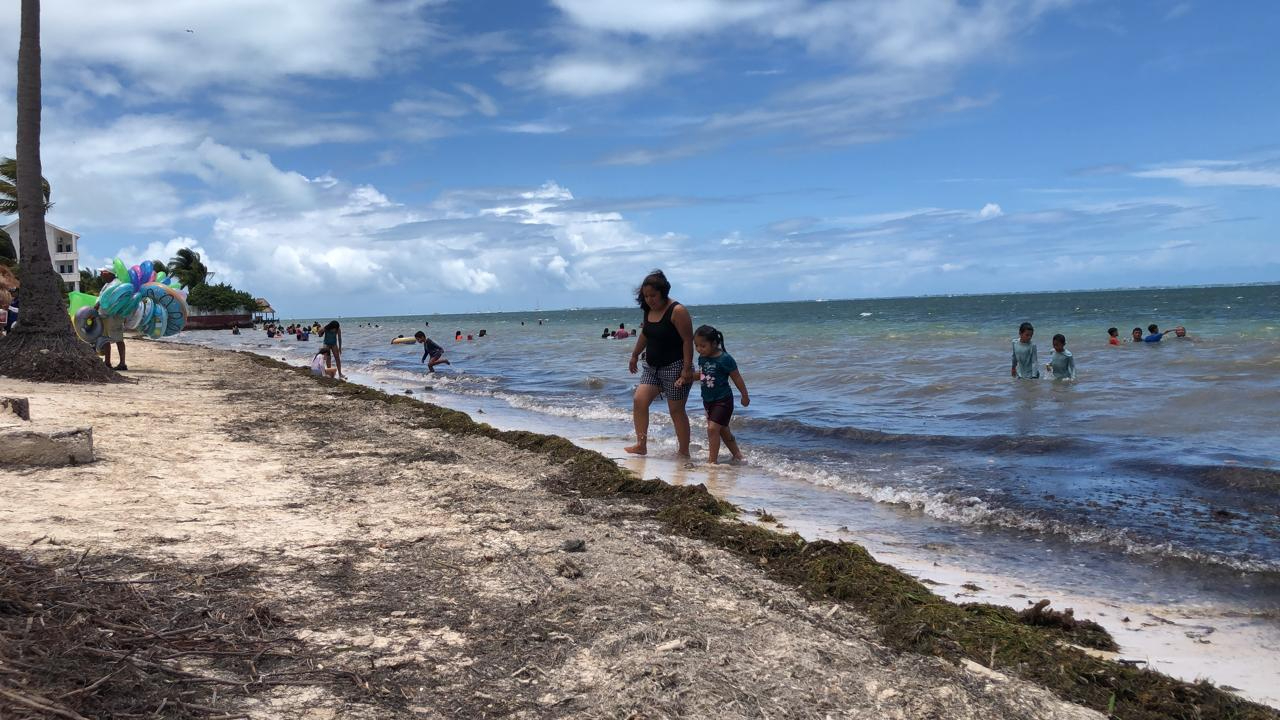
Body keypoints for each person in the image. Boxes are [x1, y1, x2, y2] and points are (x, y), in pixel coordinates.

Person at [626, 270, 695, 457]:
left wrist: (687, 369)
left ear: (663, 292)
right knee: (639, 400)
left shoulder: (677, 311)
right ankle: (641, 444)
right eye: (646, 296)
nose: (649, 300)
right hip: (651, 368)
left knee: (676, 411)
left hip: (676, 367)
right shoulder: (648, 310)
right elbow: (645, 334)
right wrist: (634, 355)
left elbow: (688, 341)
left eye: (653, 295)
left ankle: (684, 452)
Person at [694, 325, 749, 464]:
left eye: (703, 345)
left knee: (712, 429)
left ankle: (712, 462)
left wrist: (744, 395)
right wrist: (685, 378)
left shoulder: (725, 359)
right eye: (696, 345)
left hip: (723, 400)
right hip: (707, 400)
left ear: (714, 343)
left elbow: (736, 377)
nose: (699, 349)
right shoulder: (702, 358)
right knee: (723, 430)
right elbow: (703, 375)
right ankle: (738, 455)